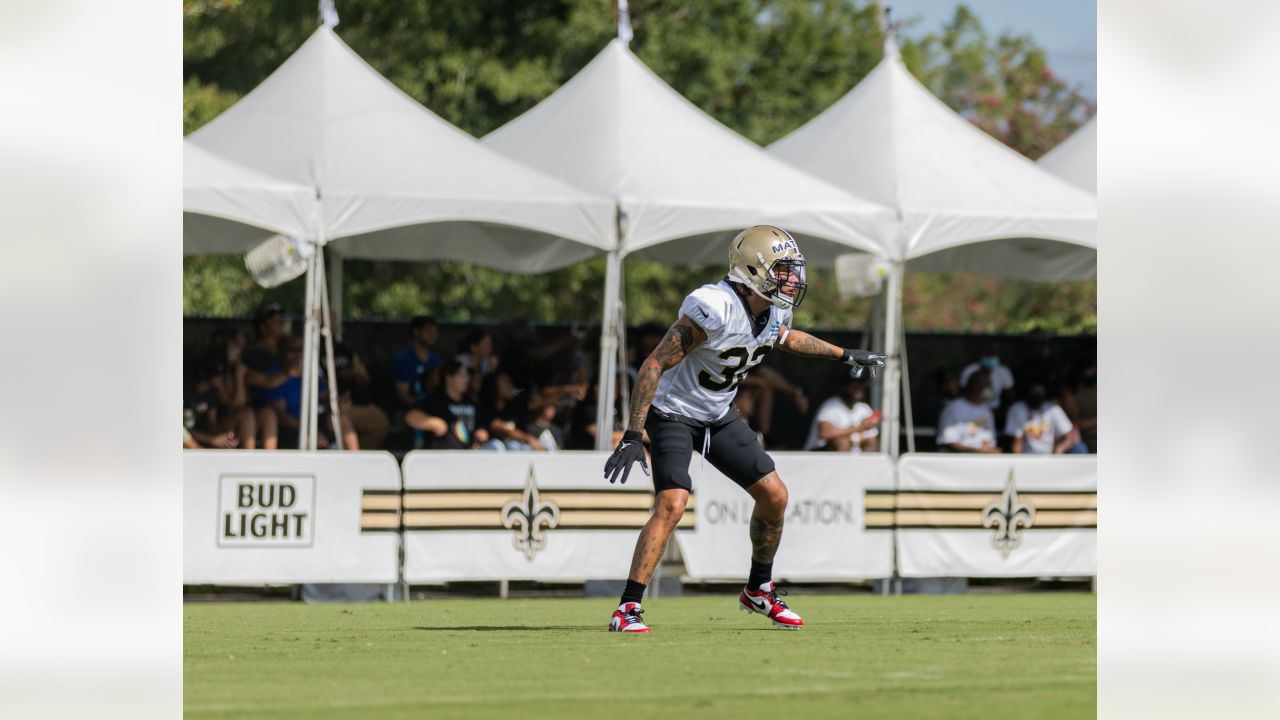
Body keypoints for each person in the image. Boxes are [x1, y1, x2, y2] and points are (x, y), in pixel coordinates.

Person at [601, 226, 886, 633]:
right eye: (784, 269)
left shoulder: (772, 310)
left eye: (793, 270)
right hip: (674, 413)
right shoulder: (714, 307)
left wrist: (843, 354)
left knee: (775, 496)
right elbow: (652, 364)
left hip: (718, 415)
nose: (793, 279)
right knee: (673, 504)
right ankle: (628, 607)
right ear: (753, 269)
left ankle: (758, 589)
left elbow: (784, 337)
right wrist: (633, 432)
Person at [405, 360, 488, 450]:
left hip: (469, 455)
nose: (466, 379)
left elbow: (481, 426)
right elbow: (410, 416)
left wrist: (481, 434)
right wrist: (432, 422)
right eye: (461, 376)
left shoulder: (472, 402)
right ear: (448, 378)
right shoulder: (435, 400)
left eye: (467, 375)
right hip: (440, 456)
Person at [804, 372, 880, 453]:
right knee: (842, 442)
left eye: (861, 384)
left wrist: (853, 438)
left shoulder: (864, 408)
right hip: (816, 455)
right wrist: (859, 428)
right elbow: (824, 433)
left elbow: (871, 437)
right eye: (854, 384)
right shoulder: (831, 406)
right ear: (844, 386)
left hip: (853, 453)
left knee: (871, 443)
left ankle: (866, 466)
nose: (858, 388)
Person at [1004, 379, 1078, 454]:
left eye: (1039, 393)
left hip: (1048, 456)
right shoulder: (1017, 409)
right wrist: (1019, 462)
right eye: (1034, 392)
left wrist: (1059, 449)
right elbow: (1017, 443)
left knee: (1078, 448)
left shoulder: (1053, 409)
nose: (1036, 396)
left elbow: (1068, 437)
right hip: (1027, 457)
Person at [937, 369, 1001, 453]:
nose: (986, 388)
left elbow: (989, 440)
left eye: (987, 384)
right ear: (973, 385)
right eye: (982, 385)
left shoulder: (986, 411)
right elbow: (947, 442)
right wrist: (976, 451)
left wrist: (988, 449)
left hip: (981, 462)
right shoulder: (952, 409)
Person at [390, 316, 443, 411]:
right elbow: (403, 395)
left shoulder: (436, 361)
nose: (433, 335)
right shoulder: (403, 360)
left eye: (435, 332)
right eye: (428, 331)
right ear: (416, 331)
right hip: (408, 412)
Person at [959, 343, 1015, 412]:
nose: (991, 357)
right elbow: (963, 393)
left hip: (994, 410)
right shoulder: (969, 370)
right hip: (971, 409)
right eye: (989, 354)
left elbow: (1009, 395)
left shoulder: (1003, 371)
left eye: (994, 355)